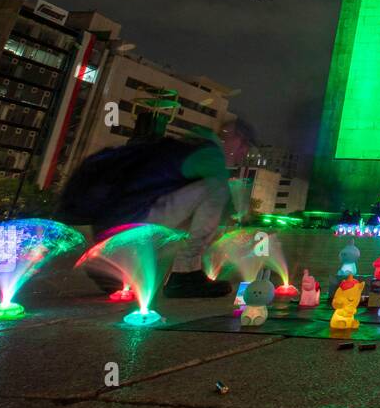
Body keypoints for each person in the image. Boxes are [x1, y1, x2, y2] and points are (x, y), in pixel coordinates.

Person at [57, 118, 255, 298]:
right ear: (236, 139)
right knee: (216, 188)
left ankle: (113, 263)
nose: (244, 154)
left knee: (203, 198)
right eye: (245, 147)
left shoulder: (182, 147)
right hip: (133, 224)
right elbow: (227, 205)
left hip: (112, 230)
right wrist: (239, 217)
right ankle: (185, 275)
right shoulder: (209, 154)